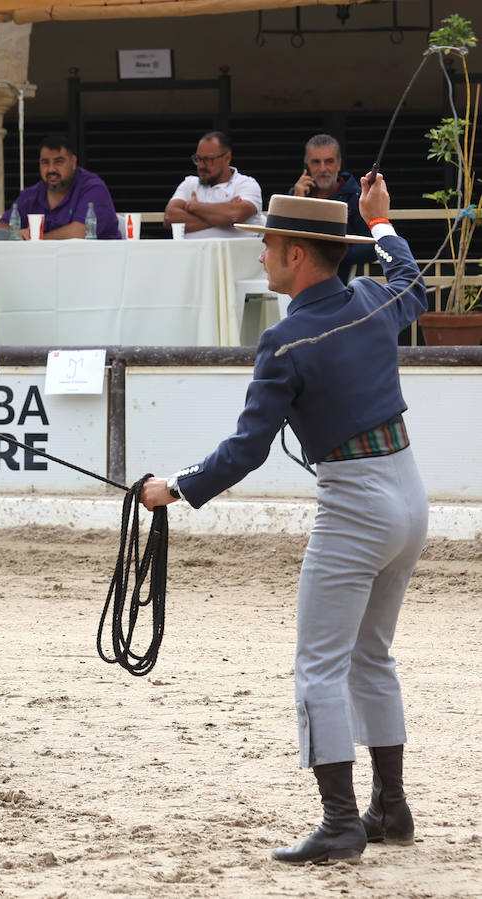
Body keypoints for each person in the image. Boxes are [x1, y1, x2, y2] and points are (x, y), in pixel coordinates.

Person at [140, 176, 427, 865]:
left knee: (319, 666)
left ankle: (340, 822)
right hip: (409, 493)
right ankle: (390, 804)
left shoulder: (285, 341)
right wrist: (381, 222)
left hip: (355, 503)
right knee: (371, 655)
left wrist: (172, 488)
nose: (262, 254)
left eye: (268, 244)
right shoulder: (372, 299)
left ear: (297, 254)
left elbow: (246, 450)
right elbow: (413, 279)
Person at [0, 133, 120, 239]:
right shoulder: (31, 194)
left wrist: (36, 237)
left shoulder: (93, 188)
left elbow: (80, 232)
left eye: (59, 162)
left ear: (73, 162)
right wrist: (14, 235)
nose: (51, 169)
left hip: (97, 263)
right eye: (45, 162)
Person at [290, 134, 376, 282]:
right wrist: (297, 203)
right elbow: (283, 243)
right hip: (296, 285)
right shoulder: (296, 194)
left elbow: (373, 247)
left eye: (329, 161)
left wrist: (329, 254)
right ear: (306, 165)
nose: (323, 168)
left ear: (339, 164)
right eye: (316, 162)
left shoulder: (356, 197)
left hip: (340, 287)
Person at [164, 131, 265, 238]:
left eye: (208, 159)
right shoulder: (189, 184)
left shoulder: (246, 184)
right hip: (193, 254)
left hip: (236, 253)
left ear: (227, 158)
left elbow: (234, 215)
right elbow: (170, 218)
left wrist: (195, 207)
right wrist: (223, 219)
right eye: (198, 159)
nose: (201, 165)